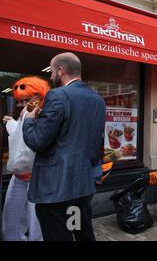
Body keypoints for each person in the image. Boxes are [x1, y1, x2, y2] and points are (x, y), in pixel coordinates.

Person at [22, 52, 106, 241]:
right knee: (82, 234)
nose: (51, 76)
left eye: (52, 71)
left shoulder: (57, 96)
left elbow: (37, 141)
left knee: (59, 235)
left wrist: (28, 121)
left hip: (56, 189)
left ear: (60, 70)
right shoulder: (98, 99)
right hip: (83, 185)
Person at [1, 77, 50, 241]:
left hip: (38, 179)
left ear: (40, 97)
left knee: (37, 225)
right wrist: (14, 124)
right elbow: (22, 142)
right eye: (20, 101)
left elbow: (36, 142)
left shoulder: (47, 117)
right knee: (11, 219)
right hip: (18, 177)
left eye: (27, 100)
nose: (22, 104)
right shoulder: (25, 116)